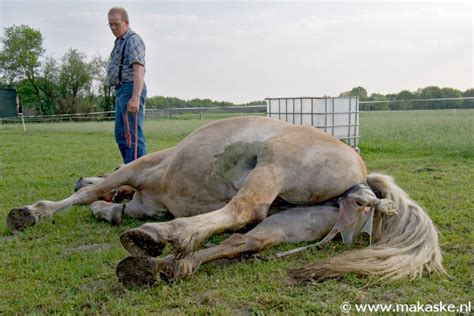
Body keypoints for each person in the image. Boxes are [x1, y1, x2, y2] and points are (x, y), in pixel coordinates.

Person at [107, 7, 147, 163]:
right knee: (121, 135)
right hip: (121, 90)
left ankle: (138, 177)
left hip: (131, 89)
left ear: (126, 22)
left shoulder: (133, 40)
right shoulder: (119, 41)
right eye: (110, 25)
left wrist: (136, 97)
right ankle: (128, 171)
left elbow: (139, 71)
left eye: (116, 24)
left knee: (133, 137)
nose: (112, 28)